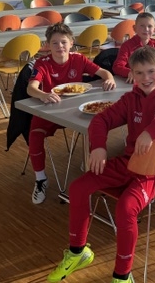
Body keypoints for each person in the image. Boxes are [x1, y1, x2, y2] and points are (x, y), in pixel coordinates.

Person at [46, 46, 155, 283]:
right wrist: (99, 147)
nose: (146, 78)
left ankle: (122, 275)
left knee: (125, 207)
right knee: (78, 187)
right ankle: (78, 252)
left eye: (151, 71)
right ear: (131, 74)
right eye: (139, 73)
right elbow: (101, 120)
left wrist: (152, 130)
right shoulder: (131, 99)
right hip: (130, 162)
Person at [26, 23, 116, 205]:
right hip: (51, 110)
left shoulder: (78, 59)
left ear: (71, 43)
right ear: (48, 45)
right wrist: (43, 95)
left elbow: (103, 72)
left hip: (76, 110)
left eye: (63, 42)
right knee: (34, 135)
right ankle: (40, 179)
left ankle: (93, 168)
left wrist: (110, 79)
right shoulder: (42, 63)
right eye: (55, 43)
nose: (60, 46)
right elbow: (31, 88)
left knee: (95, 126)